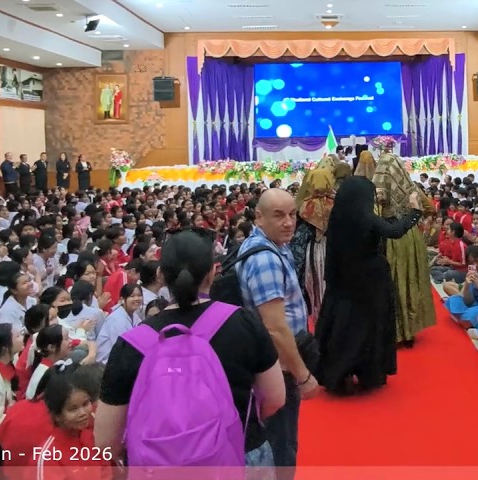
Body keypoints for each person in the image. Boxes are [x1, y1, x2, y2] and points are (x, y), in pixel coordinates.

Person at [95, 230, 284, 468]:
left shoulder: (129, 344)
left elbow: (105, 443)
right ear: (213, 271)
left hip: (159, 467)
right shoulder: (243, 322)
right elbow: (275, 398)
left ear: (161, 275)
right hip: (241, 455)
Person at [236, 189, 318, 475]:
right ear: (258, 217)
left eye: (293, 214)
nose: (288, 222)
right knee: (281, 445)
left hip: (274, 361)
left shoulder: (272, 245)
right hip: (278, 367)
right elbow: (275, 328)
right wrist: (302, 375)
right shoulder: (266, 259)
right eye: (279, 215)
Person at [315, 175, 423, 394]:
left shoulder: (337, 218)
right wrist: (415, 212)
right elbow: (395, 231)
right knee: (371, 326)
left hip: (344, 280)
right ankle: (369, 372)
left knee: (343, 327)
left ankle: (339, 372)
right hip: (371, 280)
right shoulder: (366, 218)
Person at [373, 151, 437, 345]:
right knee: (410, 280)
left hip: (388, 236)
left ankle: (393, 331)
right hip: (410, 236)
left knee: (392, 282)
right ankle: (409, 332)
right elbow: (430, 209)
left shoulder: (377, 190)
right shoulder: (412, 188)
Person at [291, 162, 336, 326]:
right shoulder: (337, 202)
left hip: (312, 250)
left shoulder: (305, 205)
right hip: (333, 249)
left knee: (314, 286)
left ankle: (318, 320)